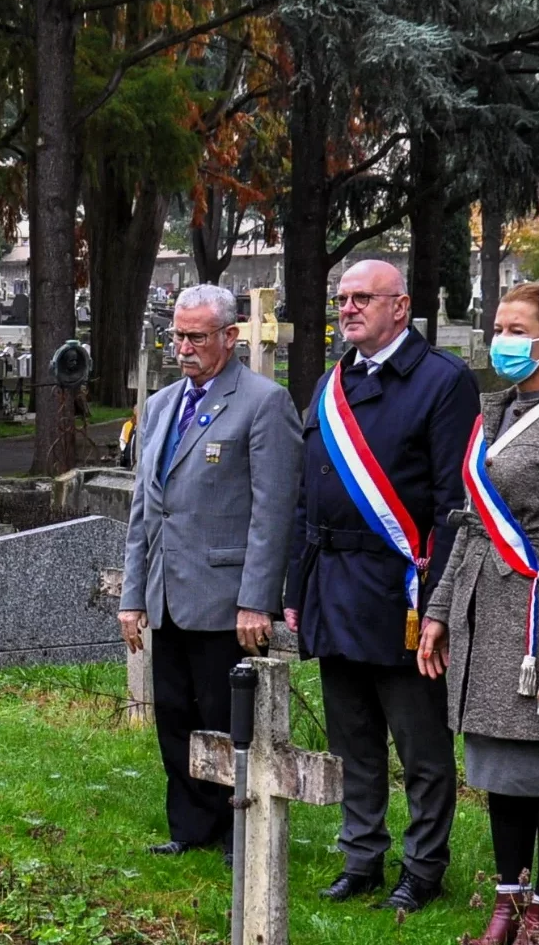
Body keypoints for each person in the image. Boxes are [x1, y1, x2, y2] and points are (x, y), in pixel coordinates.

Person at [285, 260, 480, 913]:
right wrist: (295, 585)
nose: (346, 308)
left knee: (421, 749)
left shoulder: (442, 381)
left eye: (361, 297)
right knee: (353, 740)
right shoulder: (330, 383)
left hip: (402, 593)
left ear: (400, 306)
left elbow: (455, 504)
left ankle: (423, 867)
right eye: (341, 299)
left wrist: (440, 606)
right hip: (333, 586)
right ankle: (361, 856)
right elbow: (304, 499)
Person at [420, 283, 539, 943]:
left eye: (515, 328)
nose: (500, 338)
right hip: (482, 608)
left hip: (537, 616)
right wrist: (441, 609)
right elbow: (474, 524)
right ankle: (507, 901)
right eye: (497, 326)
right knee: (499, 763)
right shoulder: (493, 412)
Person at [120, 284, 302, 861]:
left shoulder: (263, 402)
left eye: (196, 336)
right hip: (168, 594)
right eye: (177, 335)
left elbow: (273, 512)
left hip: (226, 598)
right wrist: (133, 595)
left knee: (226, 717)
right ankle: (190, 825)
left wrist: (256, 601)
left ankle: (235, 827)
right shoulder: (161, 405)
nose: (183, 347)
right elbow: (144, 509)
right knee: (174, 715)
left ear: (230, 336)